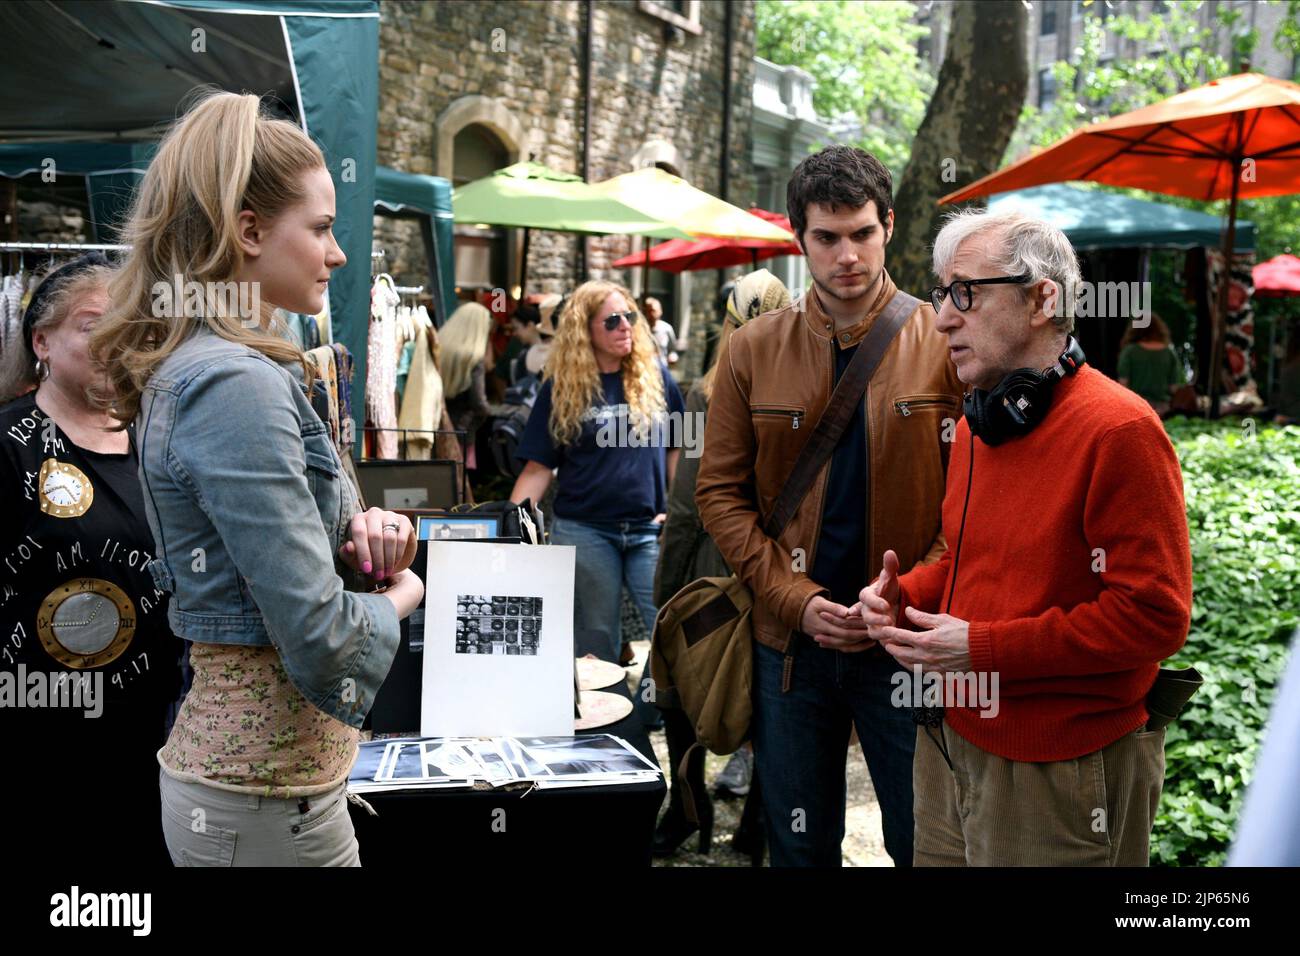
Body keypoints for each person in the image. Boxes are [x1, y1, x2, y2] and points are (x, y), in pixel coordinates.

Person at [91, 91, 424, 867]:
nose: (337, 253)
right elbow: (316, 632)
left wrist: (369, 537)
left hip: (275, 789)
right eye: (320, 228)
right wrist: (408, 596)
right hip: (264, 799)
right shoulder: (229, 382)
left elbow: (291, 557)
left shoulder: (236, 368)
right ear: (248, 231)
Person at [860, 208, 1192, 866]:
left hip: (1060, 773)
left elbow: (1154, 618)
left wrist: (981, 647)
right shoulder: (983, 421)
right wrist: (904, 596)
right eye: (939, 295)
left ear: (1043, 298)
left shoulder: (1120, 430)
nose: (944, 317)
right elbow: (974, 560)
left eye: (966, 293)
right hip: (950, 741)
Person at [695, 144, 964, 867]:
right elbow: (719, 493)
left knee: (927, 845)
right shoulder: (753, 349)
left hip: (906, 642)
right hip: (793, 648)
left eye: (862, 233)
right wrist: (792, 598)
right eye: (827, 236)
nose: (847, 254)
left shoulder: (944, 340)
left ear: (889, 226)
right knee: (801, 849)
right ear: (799, 238)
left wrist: (908, 592)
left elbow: (978, 495)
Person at [0, 254, 184, 866]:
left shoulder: (166, 443)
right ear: (42, 341)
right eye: (92, 324)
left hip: (165, 740)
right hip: (39, 748)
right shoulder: (10, 447)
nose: (116, 342)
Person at [651, 268, 790, 859]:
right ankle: (758, 826)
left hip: (714, 572)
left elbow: (687, 507)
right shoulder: (808, 390)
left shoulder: (711, 394)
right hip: (784, 572)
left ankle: (691, 810)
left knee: (684, 693)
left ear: (728, 326)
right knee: (768, 701)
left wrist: (665, 592)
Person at [508, 280, 684, 725]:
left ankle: (647, 712)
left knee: (672, 628)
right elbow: (538, 469)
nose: (625, 326)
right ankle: (612, 739)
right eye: (612, 320)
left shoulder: (658, 378)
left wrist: (681, 510)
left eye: (630, 317)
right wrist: (508, 534)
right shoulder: (560, 388)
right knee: (598, 643)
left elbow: (678, 449)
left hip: (649, 529)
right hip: (586, 531)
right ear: (585, 331)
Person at [441, 302, 494, 469]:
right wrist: (488, 413)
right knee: (460, 484)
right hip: (463, 430)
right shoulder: (473, 359)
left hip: (438, 427)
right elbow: (478, 402)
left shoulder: (440, 349)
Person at [1116, 314, 1186, 415]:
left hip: (1136, 407)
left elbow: (1123, 384)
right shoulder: (1169, 353)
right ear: (1160, 329)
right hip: (1163, 408)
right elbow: (1173, 387)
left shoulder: (1129, 351)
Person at [644, 295, 679, 366]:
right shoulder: (641, 329)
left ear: (660, 311)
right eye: (648, 311)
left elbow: (672, 350)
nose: (651, 314)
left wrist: (673, 357)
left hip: (662, 369)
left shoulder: (666, 329)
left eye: (653, 311)